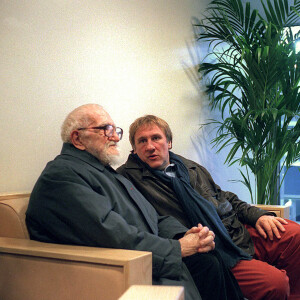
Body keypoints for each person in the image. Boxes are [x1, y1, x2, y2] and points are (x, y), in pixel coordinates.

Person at [26, 104, 245, 300]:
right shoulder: (62, 176)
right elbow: (111, 234)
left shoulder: (104, 171)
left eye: (115, 130)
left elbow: (152, 216)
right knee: (207, 264)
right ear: (77, 139)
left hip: (148, 253)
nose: (114, 137)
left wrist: (185, 236)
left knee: (210, 258)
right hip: (122, 267)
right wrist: (177, 248)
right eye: (105, 130)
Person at [117, 114, 300, 300]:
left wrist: (258, 215)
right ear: (134, 149)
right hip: (216, 246)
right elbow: (145, 224)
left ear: (169, 142)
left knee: (295, 234)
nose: (150, 146)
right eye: (142, 141)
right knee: (275, 284)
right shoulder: (127, 180)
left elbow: (224, 197)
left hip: (234, 232)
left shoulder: (187, 167)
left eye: (156, 138)